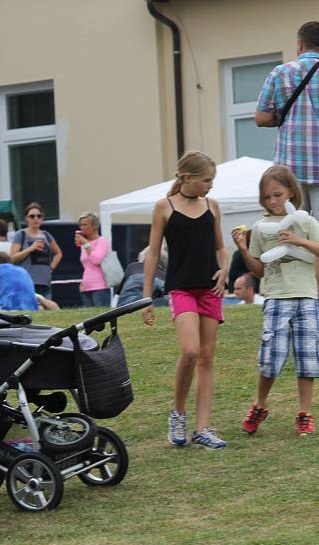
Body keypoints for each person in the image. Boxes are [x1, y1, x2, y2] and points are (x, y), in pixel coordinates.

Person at [141, 150, 229, 449]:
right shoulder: (163, 207)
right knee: (190, 351)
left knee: (206, 358)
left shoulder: (212, 206)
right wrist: (146, 297)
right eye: (207, 180)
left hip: (210, 290)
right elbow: (152, 254)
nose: (210, 186)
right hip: (181, 289)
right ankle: (178, 413)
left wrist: (225, 269)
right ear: (187, 178)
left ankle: (203, 428)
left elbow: (220, 248)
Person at [231, 165, 319, 436]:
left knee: (307, 359)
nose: (273, 201)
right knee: (271, 358)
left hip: (306, 296)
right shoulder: (260, 228)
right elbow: (259, 271)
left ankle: (304, 413)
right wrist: (245, 250)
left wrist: (299, 241)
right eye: (267, 197)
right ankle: (259, 405)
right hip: (276, 297)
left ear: (292, 191)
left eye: (278, 195)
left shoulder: (307, 222)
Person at [256, 22, 319, 218]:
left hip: (289, 172)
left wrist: (284, 116)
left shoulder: (280, 72)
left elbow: (261, 118)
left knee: (292, 231)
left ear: (300, 44)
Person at [10, 203, 62, 300]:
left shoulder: (46, 235)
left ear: (42, 218)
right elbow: (12, 258)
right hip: (26, 282)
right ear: (26, 218)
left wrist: (51, 267)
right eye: (32, 216)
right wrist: (30, 248)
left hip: (44, 282)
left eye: (39, 216)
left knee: (46, 312)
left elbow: (58, 253)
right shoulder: (21, 235)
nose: (36, 219)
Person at [75, 212, 111, 307]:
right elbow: (86, 265)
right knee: (89, 319)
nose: (81, 227)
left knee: (100, 319)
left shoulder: (102, 241)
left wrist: (86, 244)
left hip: (100, 287)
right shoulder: (84, 243)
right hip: (86, 287)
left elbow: (96, 260)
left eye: (85, 224)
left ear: (94, 226)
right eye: (80, 225)